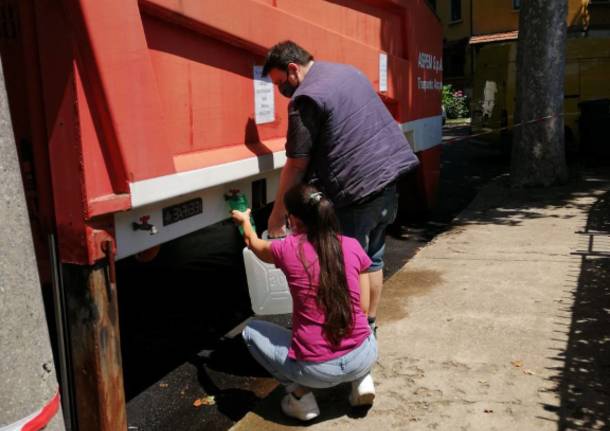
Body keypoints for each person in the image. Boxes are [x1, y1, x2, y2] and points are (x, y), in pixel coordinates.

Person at [262, 41, 419, 336]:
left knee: (351, 266)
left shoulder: (306, 98)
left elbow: (296, 164)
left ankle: (355, 336)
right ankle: (369, 327)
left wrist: (277, 213)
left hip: (356, 192)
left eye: (281, 82)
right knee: (373, 259)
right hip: (387, 182)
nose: (282, 90)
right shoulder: (348, 73)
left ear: (293, 69)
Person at [231, 183, 378, 421]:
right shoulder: (352, 246)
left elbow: (253, 243)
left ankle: (301, 398)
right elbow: (362, 308)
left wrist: (245, 221)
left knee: (251, 332)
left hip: (315, 370)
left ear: (294, 220)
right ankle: (361, 380)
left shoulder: (287, 249)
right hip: (364, 353)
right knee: (360, 323)